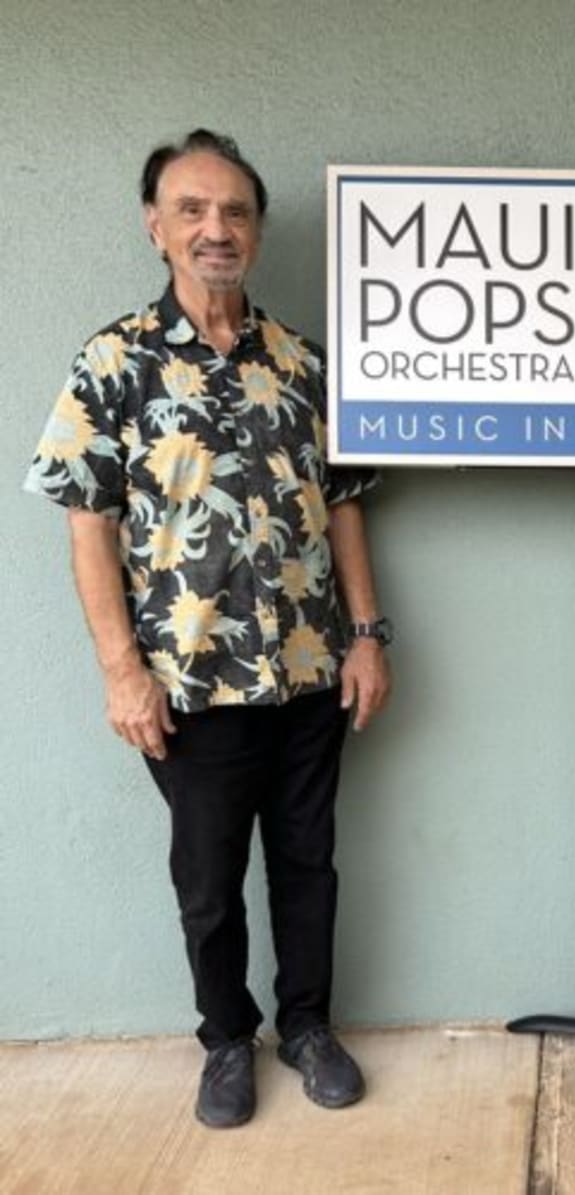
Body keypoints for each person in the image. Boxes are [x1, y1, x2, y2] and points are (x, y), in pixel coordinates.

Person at [24, 130, 393, 1129]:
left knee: (310, 864)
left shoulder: (304, 364)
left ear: (257, 230)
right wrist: (119, 671)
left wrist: (368, 633)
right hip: (189, 686)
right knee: (209, 880)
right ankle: (227, 1041)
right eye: (192, 210)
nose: (215, 228)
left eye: (233, 211)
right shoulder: (115, 362)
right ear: (156, 226)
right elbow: (86, 522)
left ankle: (309, 1026)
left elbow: (347, 501)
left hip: (312, 668)